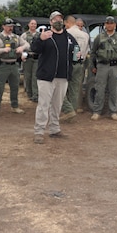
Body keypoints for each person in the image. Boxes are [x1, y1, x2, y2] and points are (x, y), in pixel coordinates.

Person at [31, 11, 77, 144]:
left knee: (57, 105)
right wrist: (40, 39)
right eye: (55, 19)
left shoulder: (68, 37)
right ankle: (39, 132)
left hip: (63, 77)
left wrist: (77, 57)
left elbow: (75, 51)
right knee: (43, 105)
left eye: (60, 19)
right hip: (46, 77)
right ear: (50, 22)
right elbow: (34, 49)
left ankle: (54, 129)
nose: (58, 21)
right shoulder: (46, 36)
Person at [90, 16, 117, 121]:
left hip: (115, 66)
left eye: (112, 23)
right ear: (105, 25)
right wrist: (92, 66)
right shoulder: (99, 37)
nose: (110, 25)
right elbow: (93, 53)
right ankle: (97, 111)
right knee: (100, 89)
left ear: (115, 25)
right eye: (108, 23)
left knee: (114, 90)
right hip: (102, 66)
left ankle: (113, 111)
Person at [0, 18, 27, 117]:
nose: (10, 28)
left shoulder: (16, 37)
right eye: (9, 26)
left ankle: (15, 106)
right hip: (3, 65)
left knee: (15, 87)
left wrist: (22, 48)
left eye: (12, 26)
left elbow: (27, 44)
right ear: (3, 26)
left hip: (14, 65)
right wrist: (2, 50)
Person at [60, 15, 89, 120]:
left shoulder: (66, 34)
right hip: (80, 64)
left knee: (61, 87)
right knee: (75, 89)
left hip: (68, 64)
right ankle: (73, 112)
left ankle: (68, 110)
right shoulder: (85, 35)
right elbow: (85, 51)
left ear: (67, 22)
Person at [20, 19, 39, 102]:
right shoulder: (24, 35)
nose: (33, 25)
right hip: (27, 57)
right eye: (32, 24)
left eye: (35, 24)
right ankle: (29, 94)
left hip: (37, 58)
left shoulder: (39, 35)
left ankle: (35, 95)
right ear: (28, 25)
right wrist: (22, 55)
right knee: (27, 76)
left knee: (35, 76)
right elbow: (20, 46)